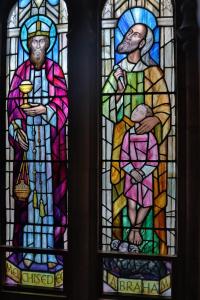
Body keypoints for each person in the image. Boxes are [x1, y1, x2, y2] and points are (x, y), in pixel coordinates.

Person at [102, 22, 171, 255]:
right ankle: (121, 240)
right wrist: (119, 95)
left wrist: (156, 119)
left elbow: (164, 107)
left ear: (143, 43)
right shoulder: (117, 71)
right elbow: (105, 108)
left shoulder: (153, 72)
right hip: (122, 140)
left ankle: (149, 247)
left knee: (149, 192)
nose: (129, 36)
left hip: (148, 142)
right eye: (129, 32)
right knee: (122, 189)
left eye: (136, 35)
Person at [8, 19, 68, 269]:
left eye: (42, 42)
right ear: (28, 44)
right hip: (29, 145)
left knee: (49, 198)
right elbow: (12, 106)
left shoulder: (55, 70)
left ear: (48, 44)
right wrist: (17, 127)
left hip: (49, 143)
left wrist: (45, 109)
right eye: (34, 42)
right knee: (30, 199)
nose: (38, 46)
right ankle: (29, 250)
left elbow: (64, 103)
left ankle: (51, 253)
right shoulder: (20, 72)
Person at [120, 104, 158, 246]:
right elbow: (123, 157)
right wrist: (132, 171)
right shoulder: (128, 134)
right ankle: (134, 230)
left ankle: (135, 229)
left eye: (140, 111)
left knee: (146, 204)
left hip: (145, 175)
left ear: (146, 117)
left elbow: (154, 159)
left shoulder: (151, 136)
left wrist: (141, 173)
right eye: (135, 109)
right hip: (131, 174)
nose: (135, 112)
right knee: (131, 203)